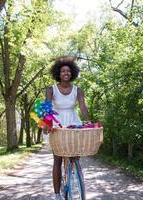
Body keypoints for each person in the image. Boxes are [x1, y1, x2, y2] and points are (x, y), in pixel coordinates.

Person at [45, 56, 90, 200]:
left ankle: (72, 170)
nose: (66, 73)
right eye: (63, 71)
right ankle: (57, 194)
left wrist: (88, 122)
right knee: (57, 158)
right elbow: (47, 106)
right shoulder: (51, 89)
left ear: (72, 74)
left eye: (69, 71)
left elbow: (82, 106)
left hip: (73, 121)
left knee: (75, 153)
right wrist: (47, 123)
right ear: (58, 73)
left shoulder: (78, 90)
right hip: (57, 123)